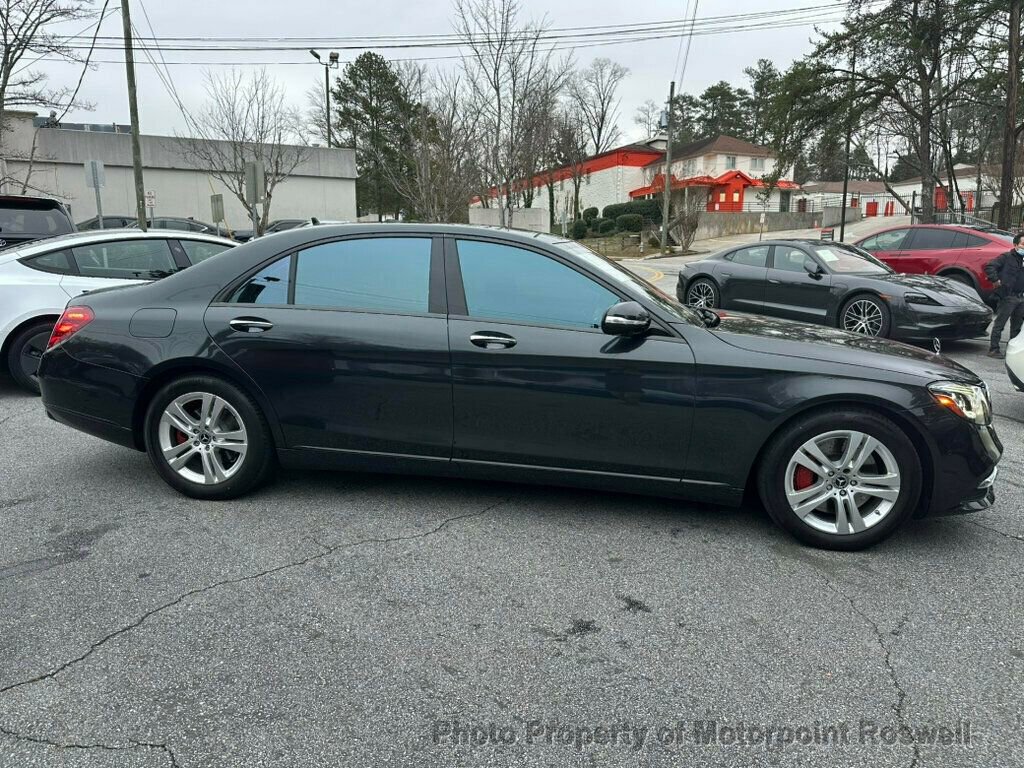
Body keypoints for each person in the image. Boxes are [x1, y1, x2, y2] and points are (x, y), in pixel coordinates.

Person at [984, 232, 1024, 358]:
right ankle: (993, 349)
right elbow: (990, 266)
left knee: (1016, 327)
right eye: (1023, 244)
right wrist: (995, 280)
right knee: (1000, 324)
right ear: (1016, 245)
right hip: (1007, 296)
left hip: (1020, 297)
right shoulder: (1006, 257)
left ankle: (1011, 351)